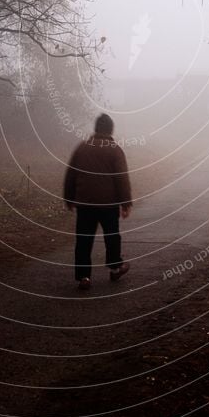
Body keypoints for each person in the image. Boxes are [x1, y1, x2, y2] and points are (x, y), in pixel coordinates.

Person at [64, 114, 133, 290]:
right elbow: (121, 178)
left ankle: (83, 277)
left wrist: (69, 198)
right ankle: (115, 267)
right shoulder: (114, 149)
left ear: (96, 128)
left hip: (85, 203)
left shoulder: (82, 147)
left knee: (83, 240)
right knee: (112, 236)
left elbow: (71, 174)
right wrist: (126, 203)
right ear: (110, 129)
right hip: (108, 204)